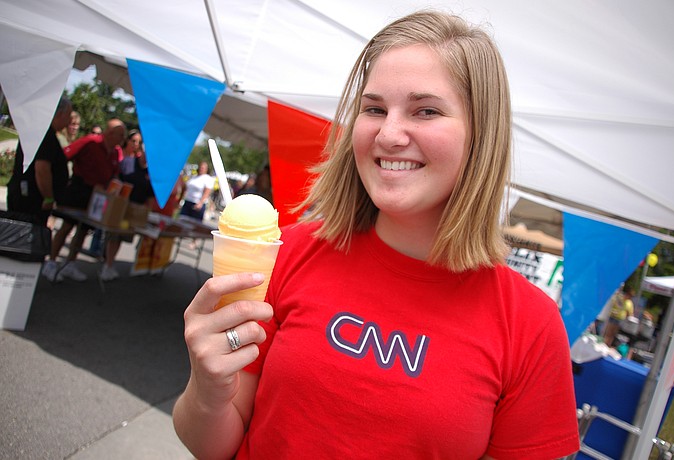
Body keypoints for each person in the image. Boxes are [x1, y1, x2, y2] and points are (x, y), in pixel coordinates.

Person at [172, 11, 580, 459]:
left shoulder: (531, 326)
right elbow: (214, 446)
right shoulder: (287, 253)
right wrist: (207, 390)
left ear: (482, 135)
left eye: (426, 110)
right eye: (374, 109)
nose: (388, 134)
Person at [42, 118, 125, 282]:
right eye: (120, 135)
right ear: (110, 133)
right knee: (67, 226)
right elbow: (64, 157)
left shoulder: (115, 152)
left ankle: (70, 263)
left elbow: (114, 175)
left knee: (83, 231)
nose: (123, 139)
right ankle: (51, 261)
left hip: (96, 197)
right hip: (78, 191)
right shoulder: (90, 142)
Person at [6, 96, 72, 227]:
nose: (69, 120)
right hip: (31, 199)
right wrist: (48, 197)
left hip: (24, 193)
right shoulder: (46, 135)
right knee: (23, 232)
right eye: (68, 115)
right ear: (60, 114)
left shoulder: (39, 132)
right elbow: (42, 169)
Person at [101, 129, 155, 281]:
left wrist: (148, 212)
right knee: (113, 236)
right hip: (120, 206)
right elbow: (116, 180)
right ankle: (107, 264)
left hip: (135, 210)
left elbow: (150, 196)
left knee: (120, 237)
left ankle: (109, 264)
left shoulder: (151, 173)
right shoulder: (128, 162)